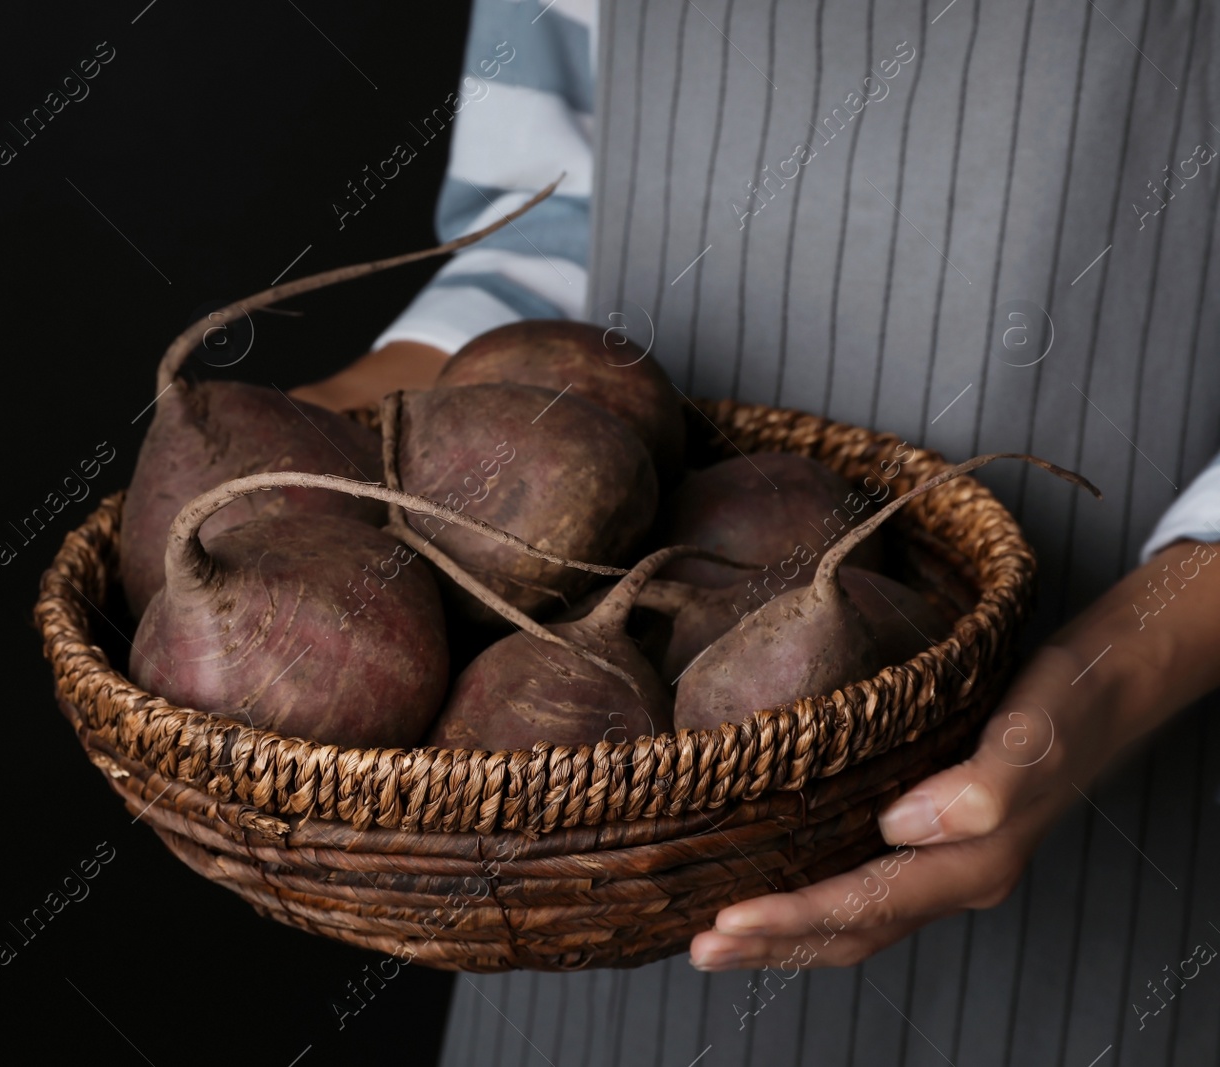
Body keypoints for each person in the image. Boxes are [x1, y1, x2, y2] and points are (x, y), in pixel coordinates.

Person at [293, 0, 1220, 1062]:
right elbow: (552, 209)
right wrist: (307, 450)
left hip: (1128, 787)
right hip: (587, 867)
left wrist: (1122, 669)